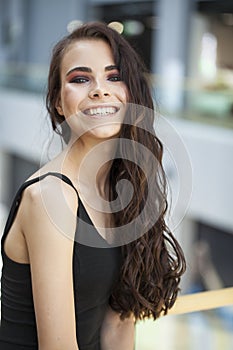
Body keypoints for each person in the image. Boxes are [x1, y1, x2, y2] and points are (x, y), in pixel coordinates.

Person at [0, 22, 186, 349]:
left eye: (114, 77)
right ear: (58, 103)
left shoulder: (121, 194)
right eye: (80, 79)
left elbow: (117, 328)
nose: (99, 89)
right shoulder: (50, 197)